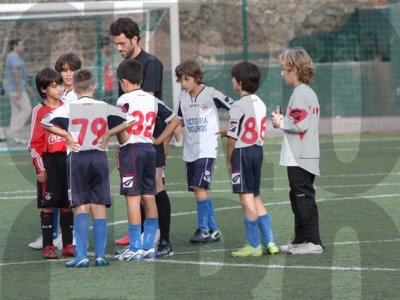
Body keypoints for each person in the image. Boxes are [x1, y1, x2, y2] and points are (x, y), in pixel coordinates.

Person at [41, 69, 131, 267]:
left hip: (78, 157)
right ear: (94, 86)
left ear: (73, 87)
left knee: (81, 205)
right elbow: (128, 121)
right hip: (99, 157)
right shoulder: (104, 106)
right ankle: (100, 255)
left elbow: (45, 121)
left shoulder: (69, 107)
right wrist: (108, 135)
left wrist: (66, 136)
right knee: (99, 205)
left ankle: (81, 256)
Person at [110, 17, 176, 257]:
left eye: (122, 43)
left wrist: (162, 142)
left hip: (145, 137)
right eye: (116, 44)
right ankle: (144, 240)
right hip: (141, 141)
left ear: (134, 39)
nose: (118, 48)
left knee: (155, 188)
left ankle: (161, 240)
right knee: (145, 191)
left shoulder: (150, 63)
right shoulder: (126, 68)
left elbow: (144, 107)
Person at [271, 47, 324, 255]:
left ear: (295, 69)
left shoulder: (301, 93)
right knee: (297, 197)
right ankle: (301, 239)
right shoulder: (303, 93)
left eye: (284, 69)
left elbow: (298, 124)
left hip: (301, 155)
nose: (282, 73)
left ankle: (314, 241)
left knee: (303, 198)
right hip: (300, 154)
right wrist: (284, 120)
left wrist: (279, 121)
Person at [28, 52, 82, 251]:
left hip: (67, 160)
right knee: (49, 204)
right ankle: (48, 244)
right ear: (43, 89)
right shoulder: (39, 111)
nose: (60, 87)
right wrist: (40, 167)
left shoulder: (67, 106)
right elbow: (34, 144)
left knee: (68, 204)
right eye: (54, 85)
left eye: (60, 85)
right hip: (49, 162)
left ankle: (68, 243)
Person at [174, 60, 233, 243]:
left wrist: (228, 128)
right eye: (180, 80)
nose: (183, 84)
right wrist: (174, 130)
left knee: (200, 187)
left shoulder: (211, 93)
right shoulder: (183, 97)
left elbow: (237, 107)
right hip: (190, 150)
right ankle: (213, 230)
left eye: (187, 79)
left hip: (206, 149)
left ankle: (203, 230)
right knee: (200, 189)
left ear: (197, 77)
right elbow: (179, 119)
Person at [225, 62, 279, 257]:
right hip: (257, 151)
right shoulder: (260, 102)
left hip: (243, 153)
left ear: (239, 82)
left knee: (245, 197)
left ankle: (253, 245)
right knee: (255, 195)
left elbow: (232, 140)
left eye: (233, 78)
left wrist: (229, 161)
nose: (231, 81)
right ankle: (270, 242)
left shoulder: (237, 105)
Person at [5, 39, 32, 144]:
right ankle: (12, 132)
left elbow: (21, 74)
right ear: (15, 46)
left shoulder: (13, 57)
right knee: (27, 109)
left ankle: (13, 137)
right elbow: (15, 73)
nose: (23, 47)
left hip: (14, 88)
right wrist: (20, 89)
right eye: (21, 45)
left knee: (16, 112)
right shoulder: (13, 57)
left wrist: (27, 87)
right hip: (16, 89)